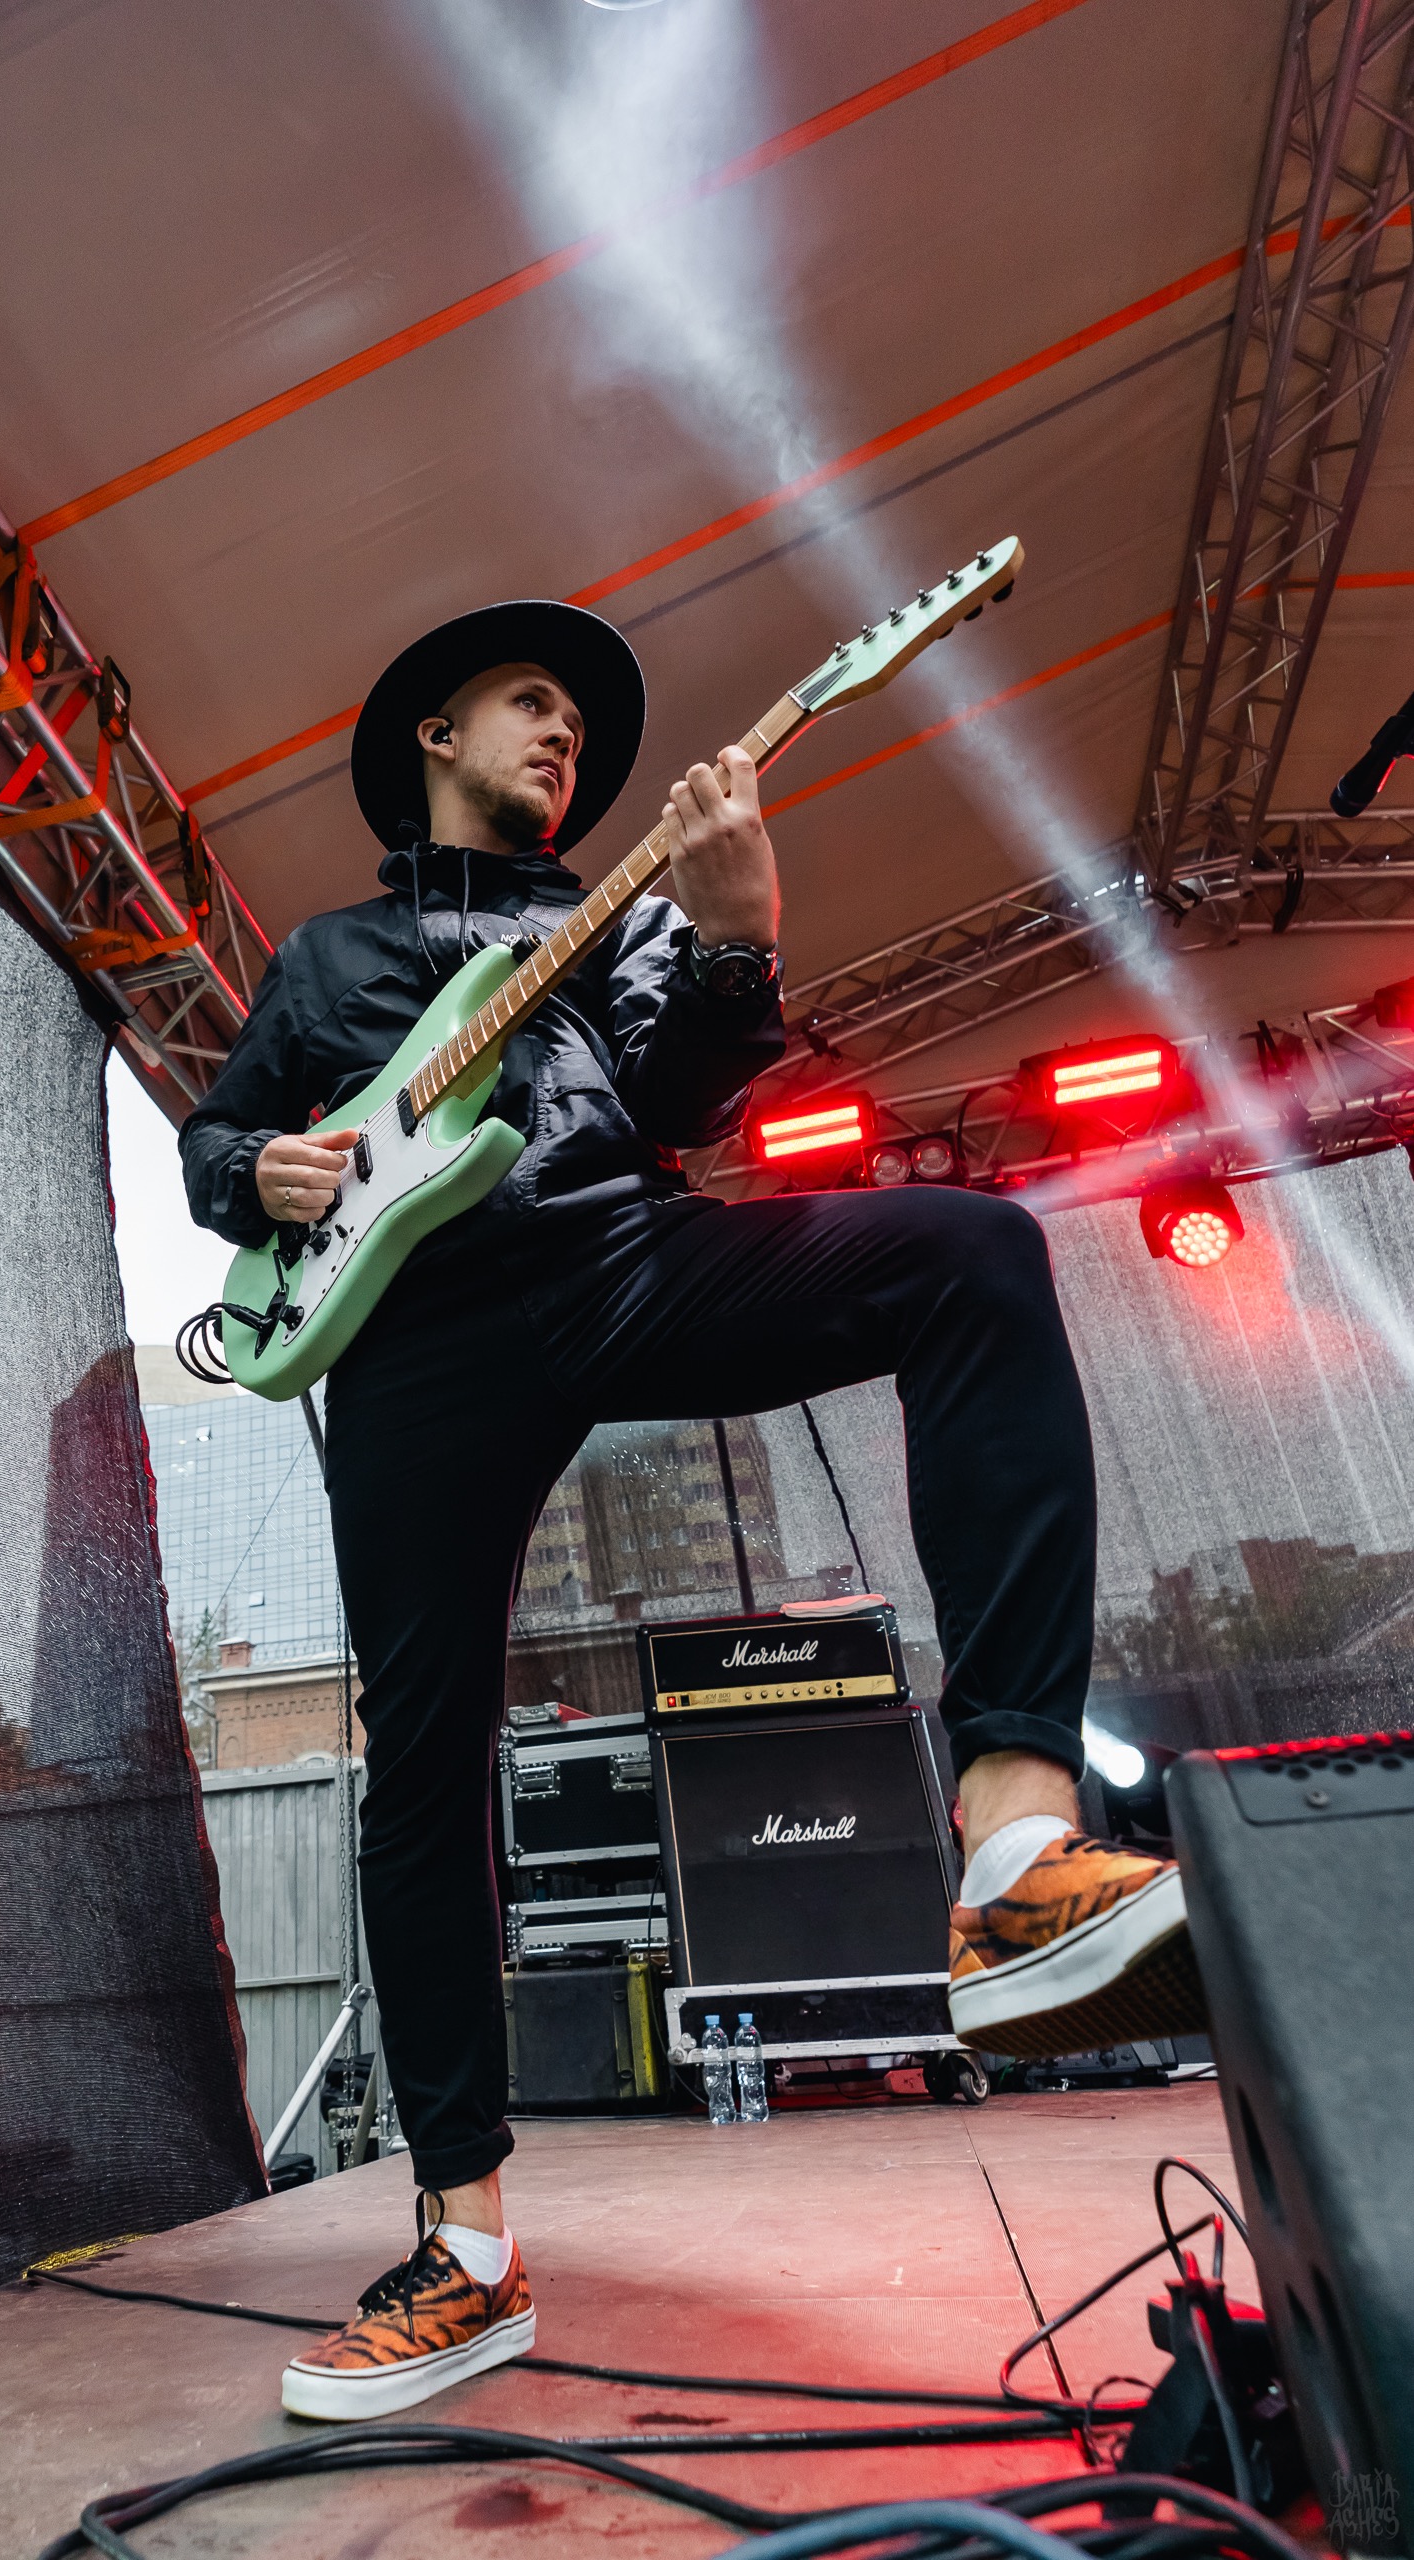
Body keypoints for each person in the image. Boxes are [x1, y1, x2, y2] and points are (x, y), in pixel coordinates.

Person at [180, 599, 1203, 2422]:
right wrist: (258, 1164)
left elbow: (674, 1099)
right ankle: (463, 2245)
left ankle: (1014, 1848)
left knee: (973, 1252)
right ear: (435, 734)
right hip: (412, 1347)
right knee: (422, 1767)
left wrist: (734, 948)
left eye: (577, 724)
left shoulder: (616, 916)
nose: (563, 735)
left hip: (617, 1259)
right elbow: (214, 1146)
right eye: (530, 704)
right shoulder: (328, 957)